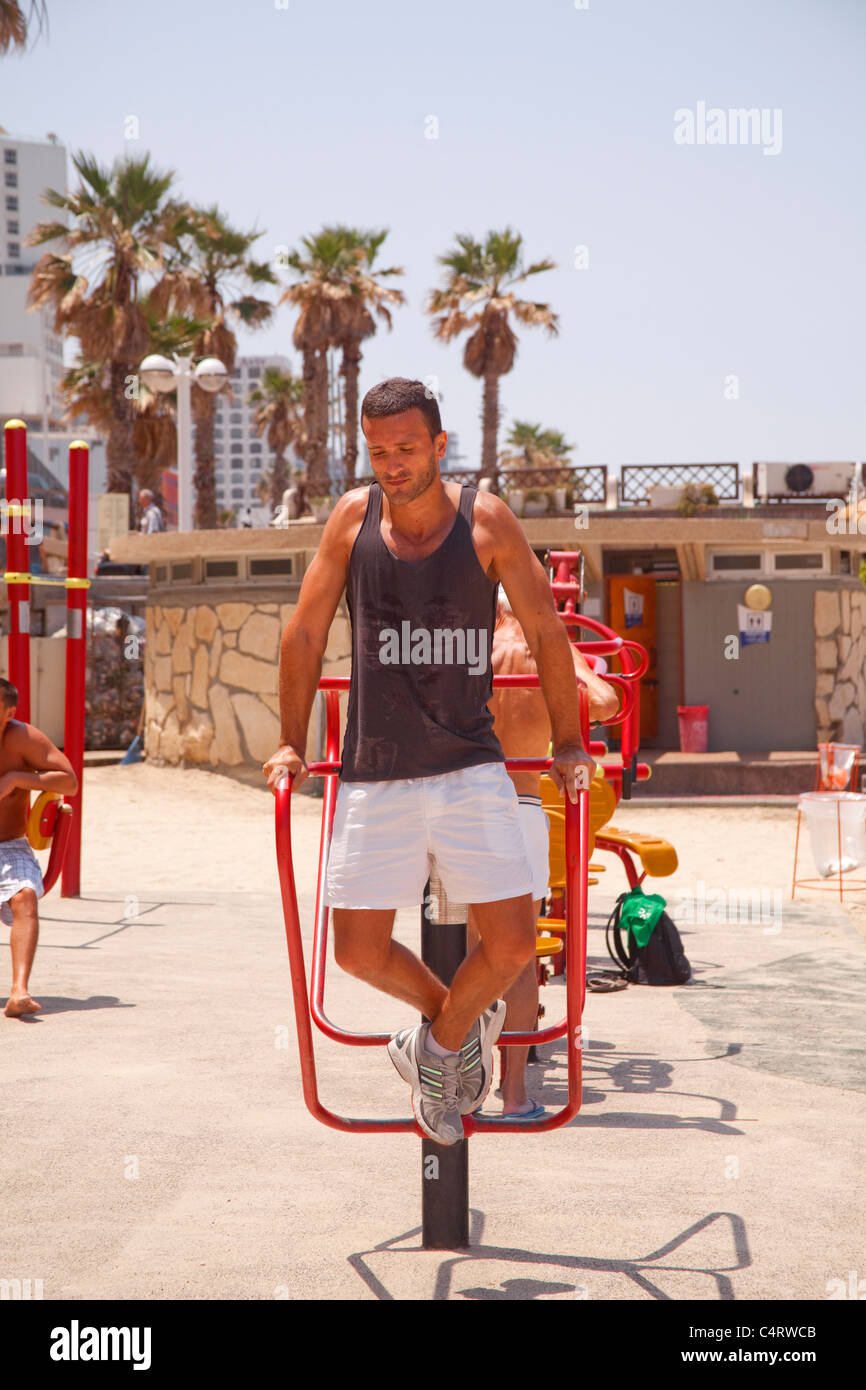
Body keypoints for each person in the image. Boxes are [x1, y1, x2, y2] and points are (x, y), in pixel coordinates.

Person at [263, 377, 595, 1145]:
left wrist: (570, 742)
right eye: (378, 451)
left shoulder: (486, 521)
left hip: (470, 766)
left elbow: (547, 633)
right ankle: (448, 1029)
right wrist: (291, 738)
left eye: (407, 449)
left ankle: (439, 1047)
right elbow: (305, 633)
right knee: (355, 951)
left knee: (512, 944)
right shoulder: (353, 518)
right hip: (374, 769)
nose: (392, 464)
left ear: (441, 445)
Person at [471, 588, 620, 1118]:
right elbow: (606, 701)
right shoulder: (545, 643)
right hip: (522, 804)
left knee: (464, 956)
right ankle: (512, 1095)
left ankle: (462, 1087)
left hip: (462, 808)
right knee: (517, 958)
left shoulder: (466, 641)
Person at [0, 677, 78, 1017]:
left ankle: (19, 991)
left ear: (8, 712)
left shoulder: (21, 738)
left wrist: (17, 778)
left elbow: (69, 782)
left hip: (9, 846)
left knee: (25, 895)